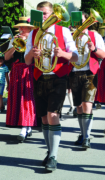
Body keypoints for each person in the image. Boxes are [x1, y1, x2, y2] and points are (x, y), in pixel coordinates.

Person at [24, 1, 78, 171]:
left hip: (58, 77)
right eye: (39, 14)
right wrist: (32, 53)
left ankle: (53, 156)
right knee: (44, 119)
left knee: (53, 115)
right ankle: (50, 152)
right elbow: (26, 61)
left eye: (45, 13)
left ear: (52, 14)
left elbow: (75, 56)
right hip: (40, 77)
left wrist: (63, 54)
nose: (42, 17)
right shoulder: (33, 33)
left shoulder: (62, 31)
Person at [68, 12, 105, 149]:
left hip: (90, 73)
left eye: (82, 20)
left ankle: (87, 137)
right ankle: (83, 134)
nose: (80, 23)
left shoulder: (94, 35)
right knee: (78, 106)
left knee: (87, 105)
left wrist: (94, 49)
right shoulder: (71, 35)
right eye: (77, 21)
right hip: (74, 72)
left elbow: (103, 54)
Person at [5, 17, 37, 142]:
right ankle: (26, 126)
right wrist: (15, 44)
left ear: (29, 28)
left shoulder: (34, 38)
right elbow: (7, 57)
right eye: (19, 27)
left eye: (22, 27)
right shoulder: (14, 39)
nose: (20, 29)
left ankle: (25, 128)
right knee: (18, 99)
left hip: (29, 70)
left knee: (27, 99)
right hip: (16, 71)